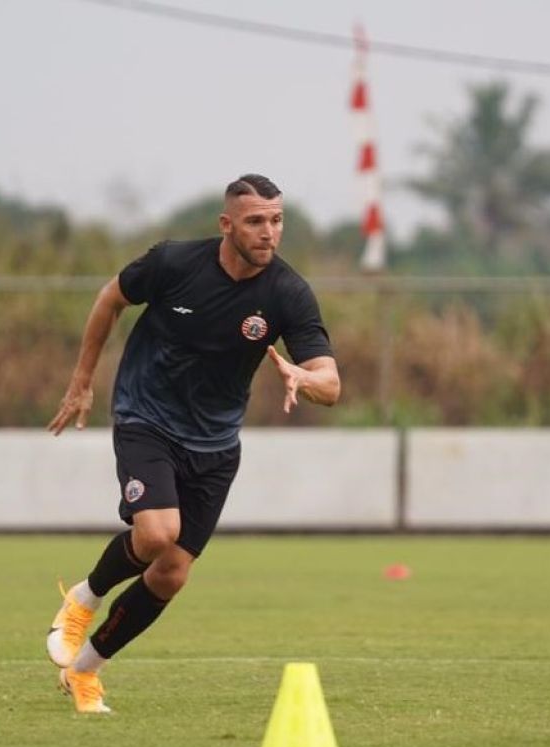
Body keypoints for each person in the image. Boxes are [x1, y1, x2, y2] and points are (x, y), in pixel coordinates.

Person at [45, 173, 341, 713]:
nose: (268, 233)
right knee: (158, 533)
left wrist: (304, 377)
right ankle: (83, 597)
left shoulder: (288, 293)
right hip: (146, 418)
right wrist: (82, 381)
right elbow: (110, 299)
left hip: (216, 443)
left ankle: (85, 671)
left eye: (276, 220)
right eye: (255, 221)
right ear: (226, 225)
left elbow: (332, 382)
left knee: (172, 573)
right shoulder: (174, 263)